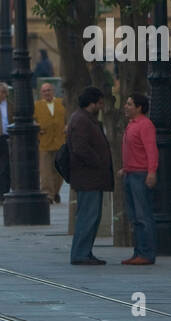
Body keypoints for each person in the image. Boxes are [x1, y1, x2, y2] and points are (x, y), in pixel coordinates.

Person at [67, 87, 113, 265]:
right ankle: (80, 253)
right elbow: (80, 148)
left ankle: (85, 251)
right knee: (88, 216)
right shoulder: (81, 120)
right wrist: (98, 161)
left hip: (92, 178)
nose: (101, 107)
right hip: (88, 178)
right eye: (99, 103)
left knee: (92, 216)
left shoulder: (86, 119)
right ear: (91, 103)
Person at [118, 92, 158, 265]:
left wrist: (151, 172)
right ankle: (138, 251)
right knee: (134, 217)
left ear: (139, 107)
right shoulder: (131, 124)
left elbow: (151, 150)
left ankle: (147, 253)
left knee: (143, 216)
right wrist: (125, 169)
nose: (126, 107)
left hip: (140, 176)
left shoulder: (145, 125)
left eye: (129, 104)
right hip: (130, 174)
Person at [34, 82, 67, 204]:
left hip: (60, 141)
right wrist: (38, 130)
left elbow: (68, 118)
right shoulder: (37, 105)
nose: (47, 93)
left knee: (59, 171)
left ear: (53, 91)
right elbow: (32, 121)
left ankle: (55, 191)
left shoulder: (61, 103)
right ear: (41, 93)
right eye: (44, 91)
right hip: (45, 143)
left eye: (48, 90)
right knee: (46, 171)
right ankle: (48, 195)